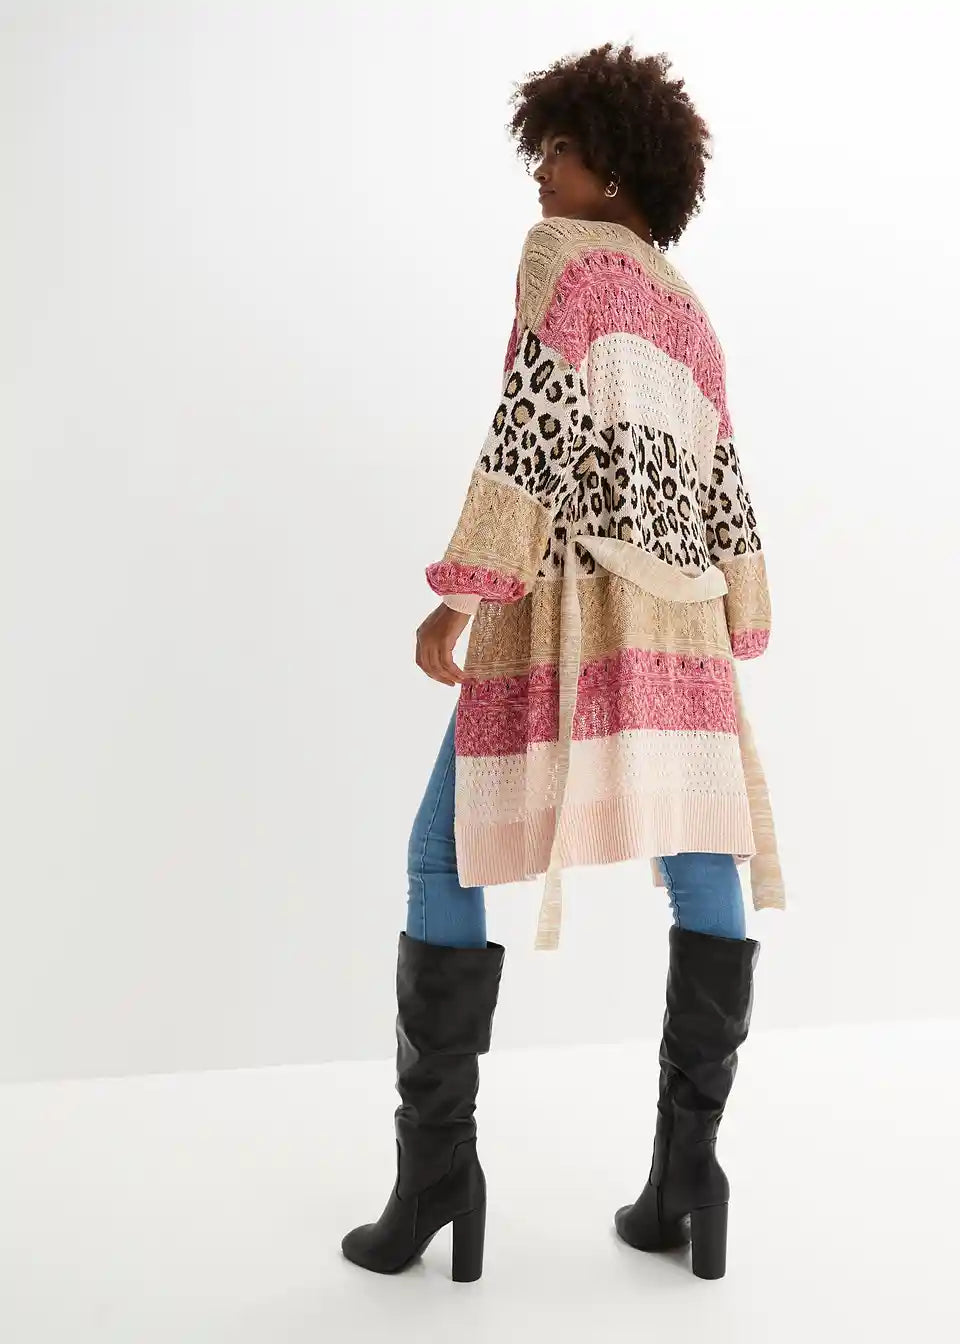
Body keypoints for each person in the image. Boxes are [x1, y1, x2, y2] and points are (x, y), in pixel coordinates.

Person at [341, 41, 783, 1284]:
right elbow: (726, 488)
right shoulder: (693, 315)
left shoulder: (563, 258)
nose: (542, 172)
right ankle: (688, 1177)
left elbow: (529, 432)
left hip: (578, 605)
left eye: (563, 149)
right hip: (684, 622)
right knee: (702, 855)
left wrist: (460, 596)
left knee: (443, 851)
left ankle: (436, 1177)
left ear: (618, 171)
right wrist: (742, 614)